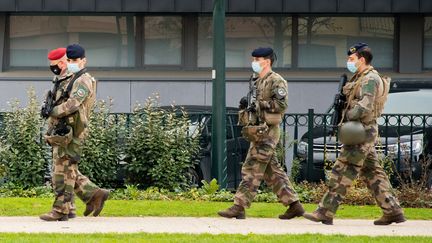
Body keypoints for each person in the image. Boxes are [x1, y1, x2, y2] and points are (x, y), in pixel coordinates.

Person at [303, 43, 406, 225]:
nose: (348, 62)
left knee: (342, 170)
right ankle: (393, 211)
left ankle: (325, 211)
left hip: (361, 131)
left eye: (351, 59)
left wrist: (347, 114)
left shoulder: (370, 79)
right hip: (362, 131)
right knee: (372, 172)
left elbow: (364, 106)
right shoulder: (359, 77)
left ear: (362, 59)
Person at [218, 47, 304, 219]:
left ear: (267, 61)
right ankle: (294, 205)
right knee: (272, 171)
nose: (254, 62)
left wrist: (259, 104)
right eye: (254, 59)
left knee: (252, 167)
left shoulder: (276, 81)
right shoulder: (257, 80)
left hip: (268, 131)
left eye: (257, 59)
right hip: (258, 130)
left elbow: (281, 105)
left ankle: (239, 206)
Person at [40, 44, 109, 221]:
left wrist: (53, 112)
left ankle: (61, 210)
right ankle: (88, 198)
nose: (70, 63)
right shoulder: (69, 78)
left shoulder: (83, 79)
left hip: (73, 131)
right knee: (66, 170)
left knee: (62, 173)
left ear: (83, 61)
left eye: (74, 60)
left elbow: (72, 105)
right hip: (65, 130)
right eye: (69, 60)